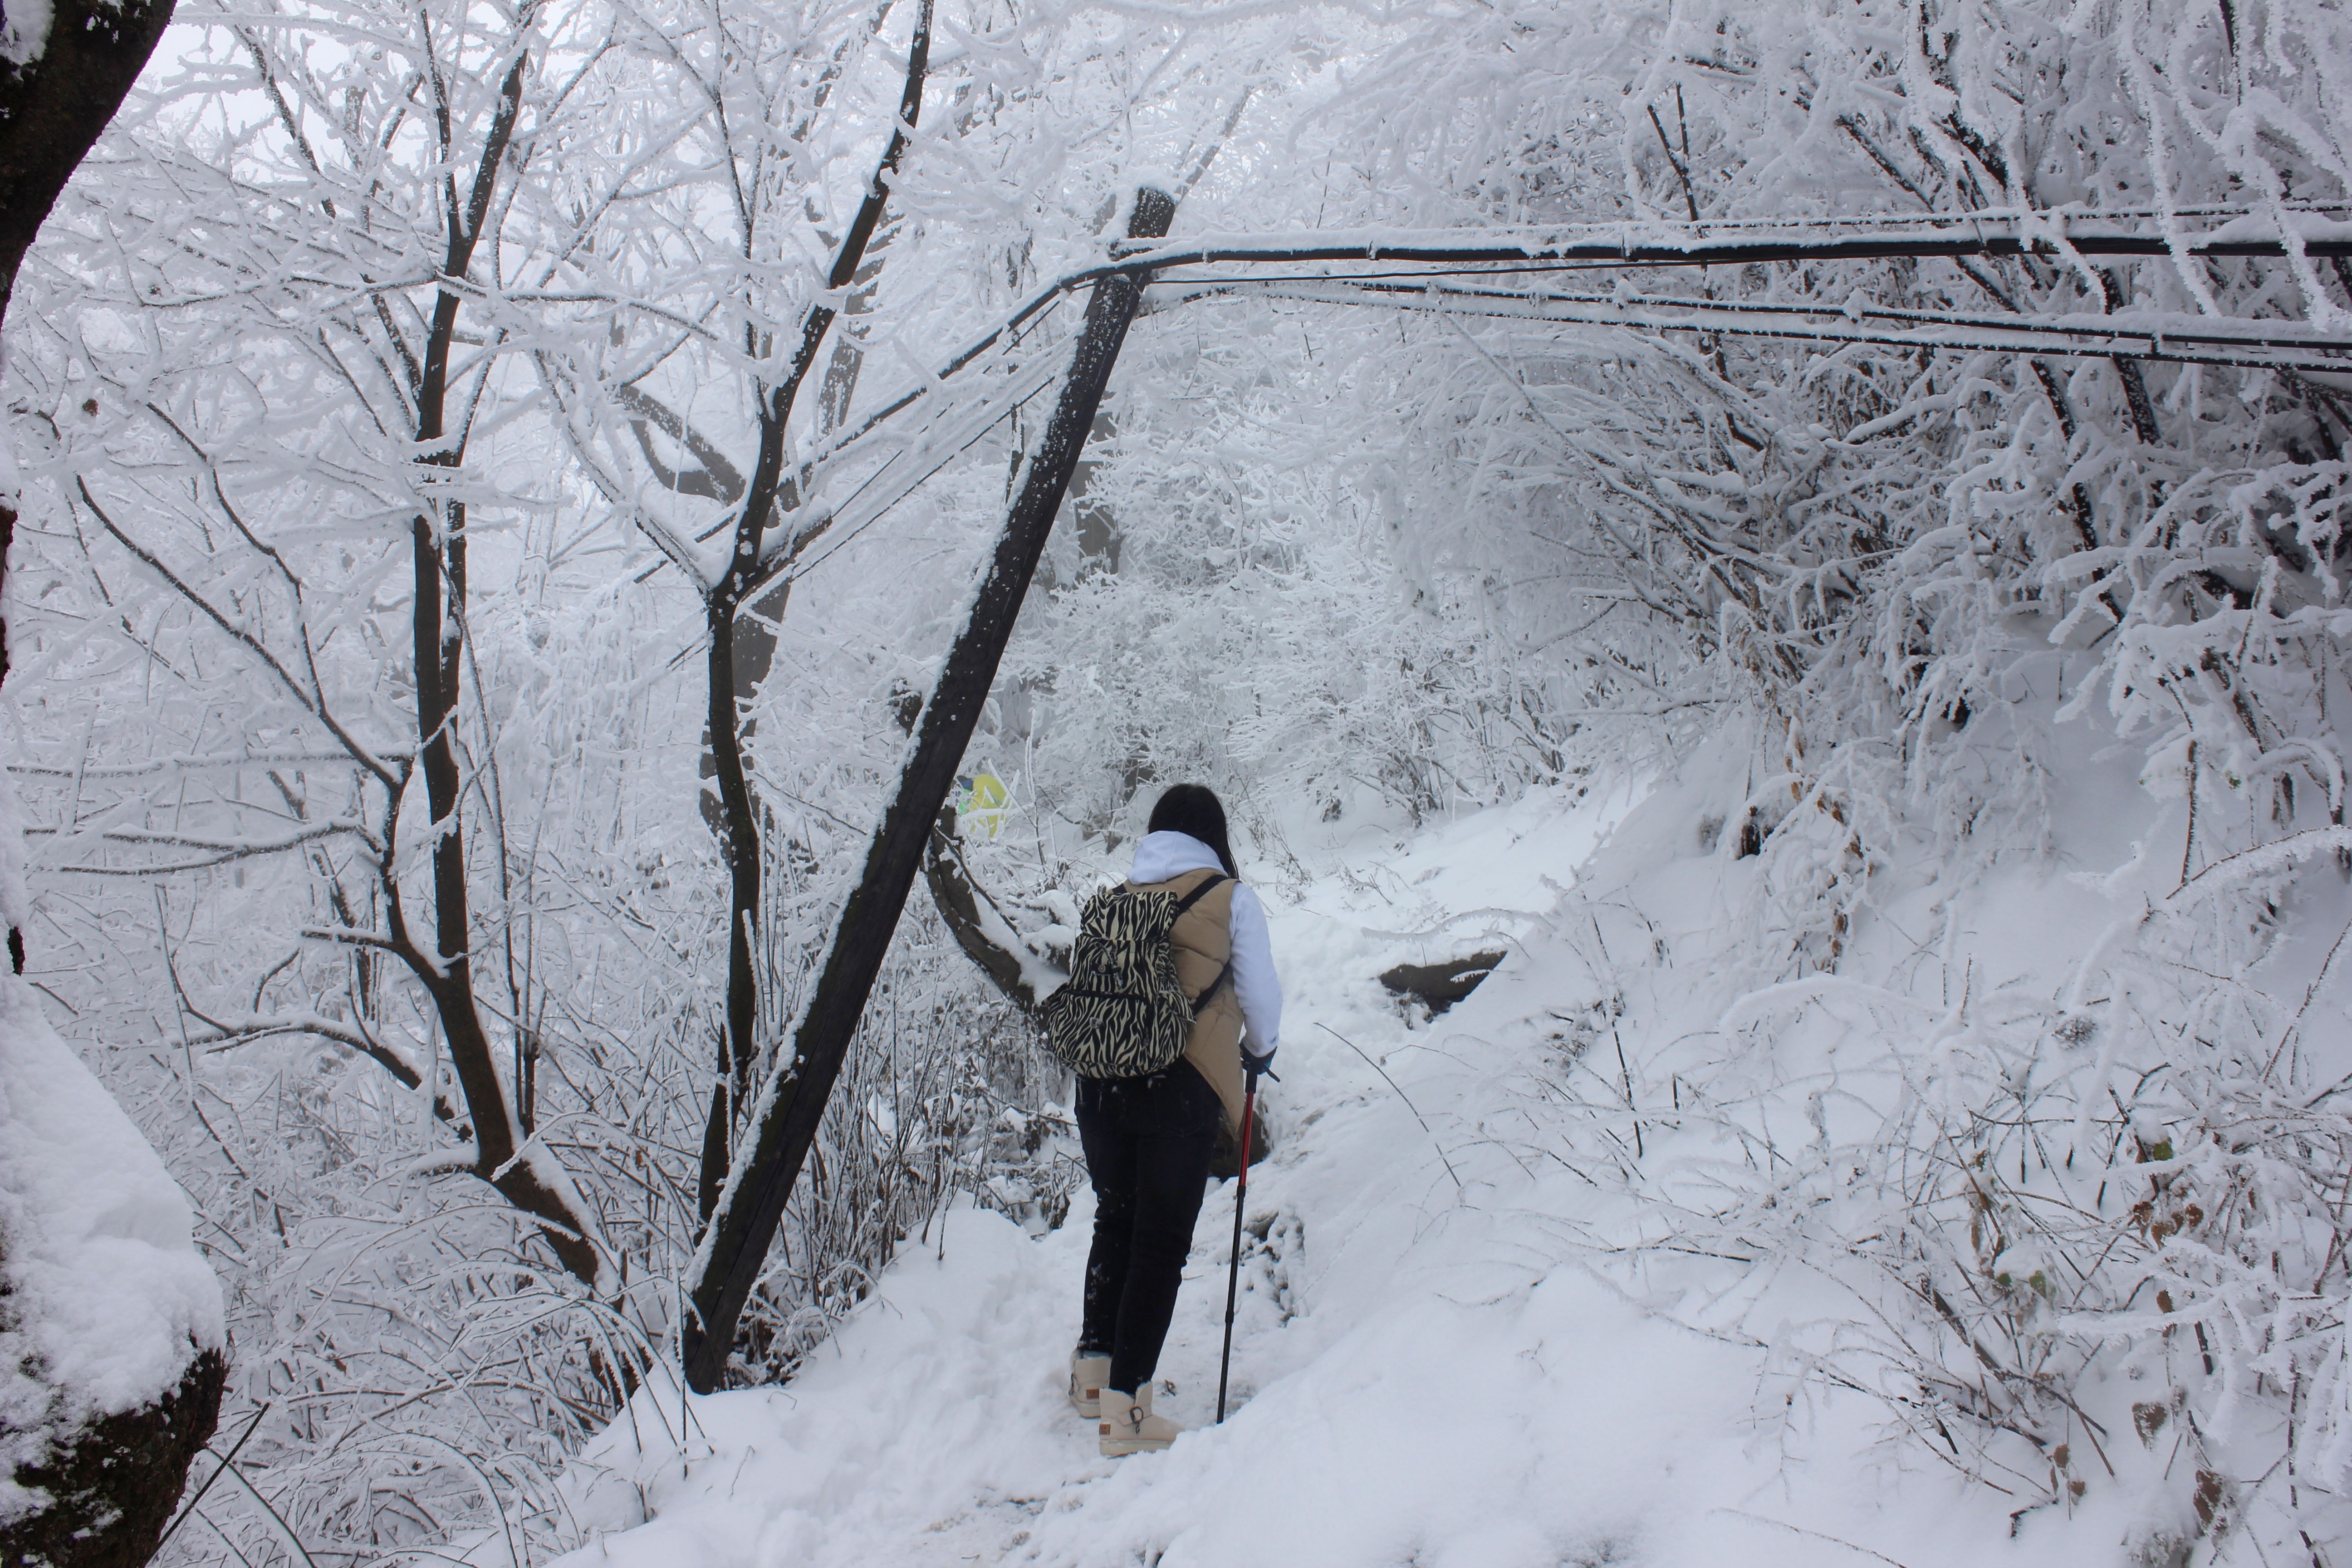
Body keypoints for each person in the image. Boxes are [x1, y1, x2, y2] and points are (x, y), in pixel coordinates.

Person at [1067, 783, 1282, 1458]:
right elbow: (1262, 1000)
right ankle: (1127, 1413)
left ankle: (1093, 1373)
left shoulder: (1119, 898)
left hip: (1101, 1086)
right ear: (1214, 835)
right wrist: (1257, 1055)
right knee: (1160, 1243)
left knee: (1116, 1219)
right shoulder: (1230, 899)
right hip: (1178, 1091)